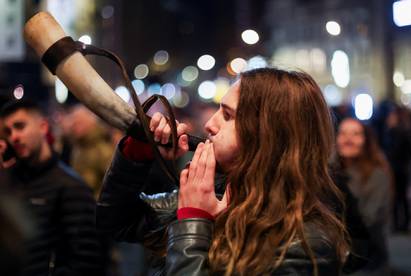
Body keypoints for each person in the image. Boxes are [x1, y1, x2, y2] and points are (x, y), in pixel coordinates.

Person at [97, 68, 350, 275]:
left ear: (266, 135)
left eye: (227, 116)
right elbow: (116, 222)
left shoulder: (307, 243)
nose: (209, 124)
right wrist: (138, 152)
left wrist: (193, 220)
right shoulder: (221, 190)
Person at [0, 100, 103, 276]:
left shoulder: (72, 187)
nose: (14, 137)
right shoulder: (10, 182)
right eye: (8, 131)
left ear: (43, 127)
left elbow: (86, 261)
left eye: (20, 126)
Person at [335, 118, 392, 275]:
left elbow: (368, 219)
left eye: (356, 134)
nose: (348, 139)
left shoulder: (377, 175)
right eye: (343, 133)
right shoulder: (330, 172)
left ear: (366, 140)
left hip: (368, 262)